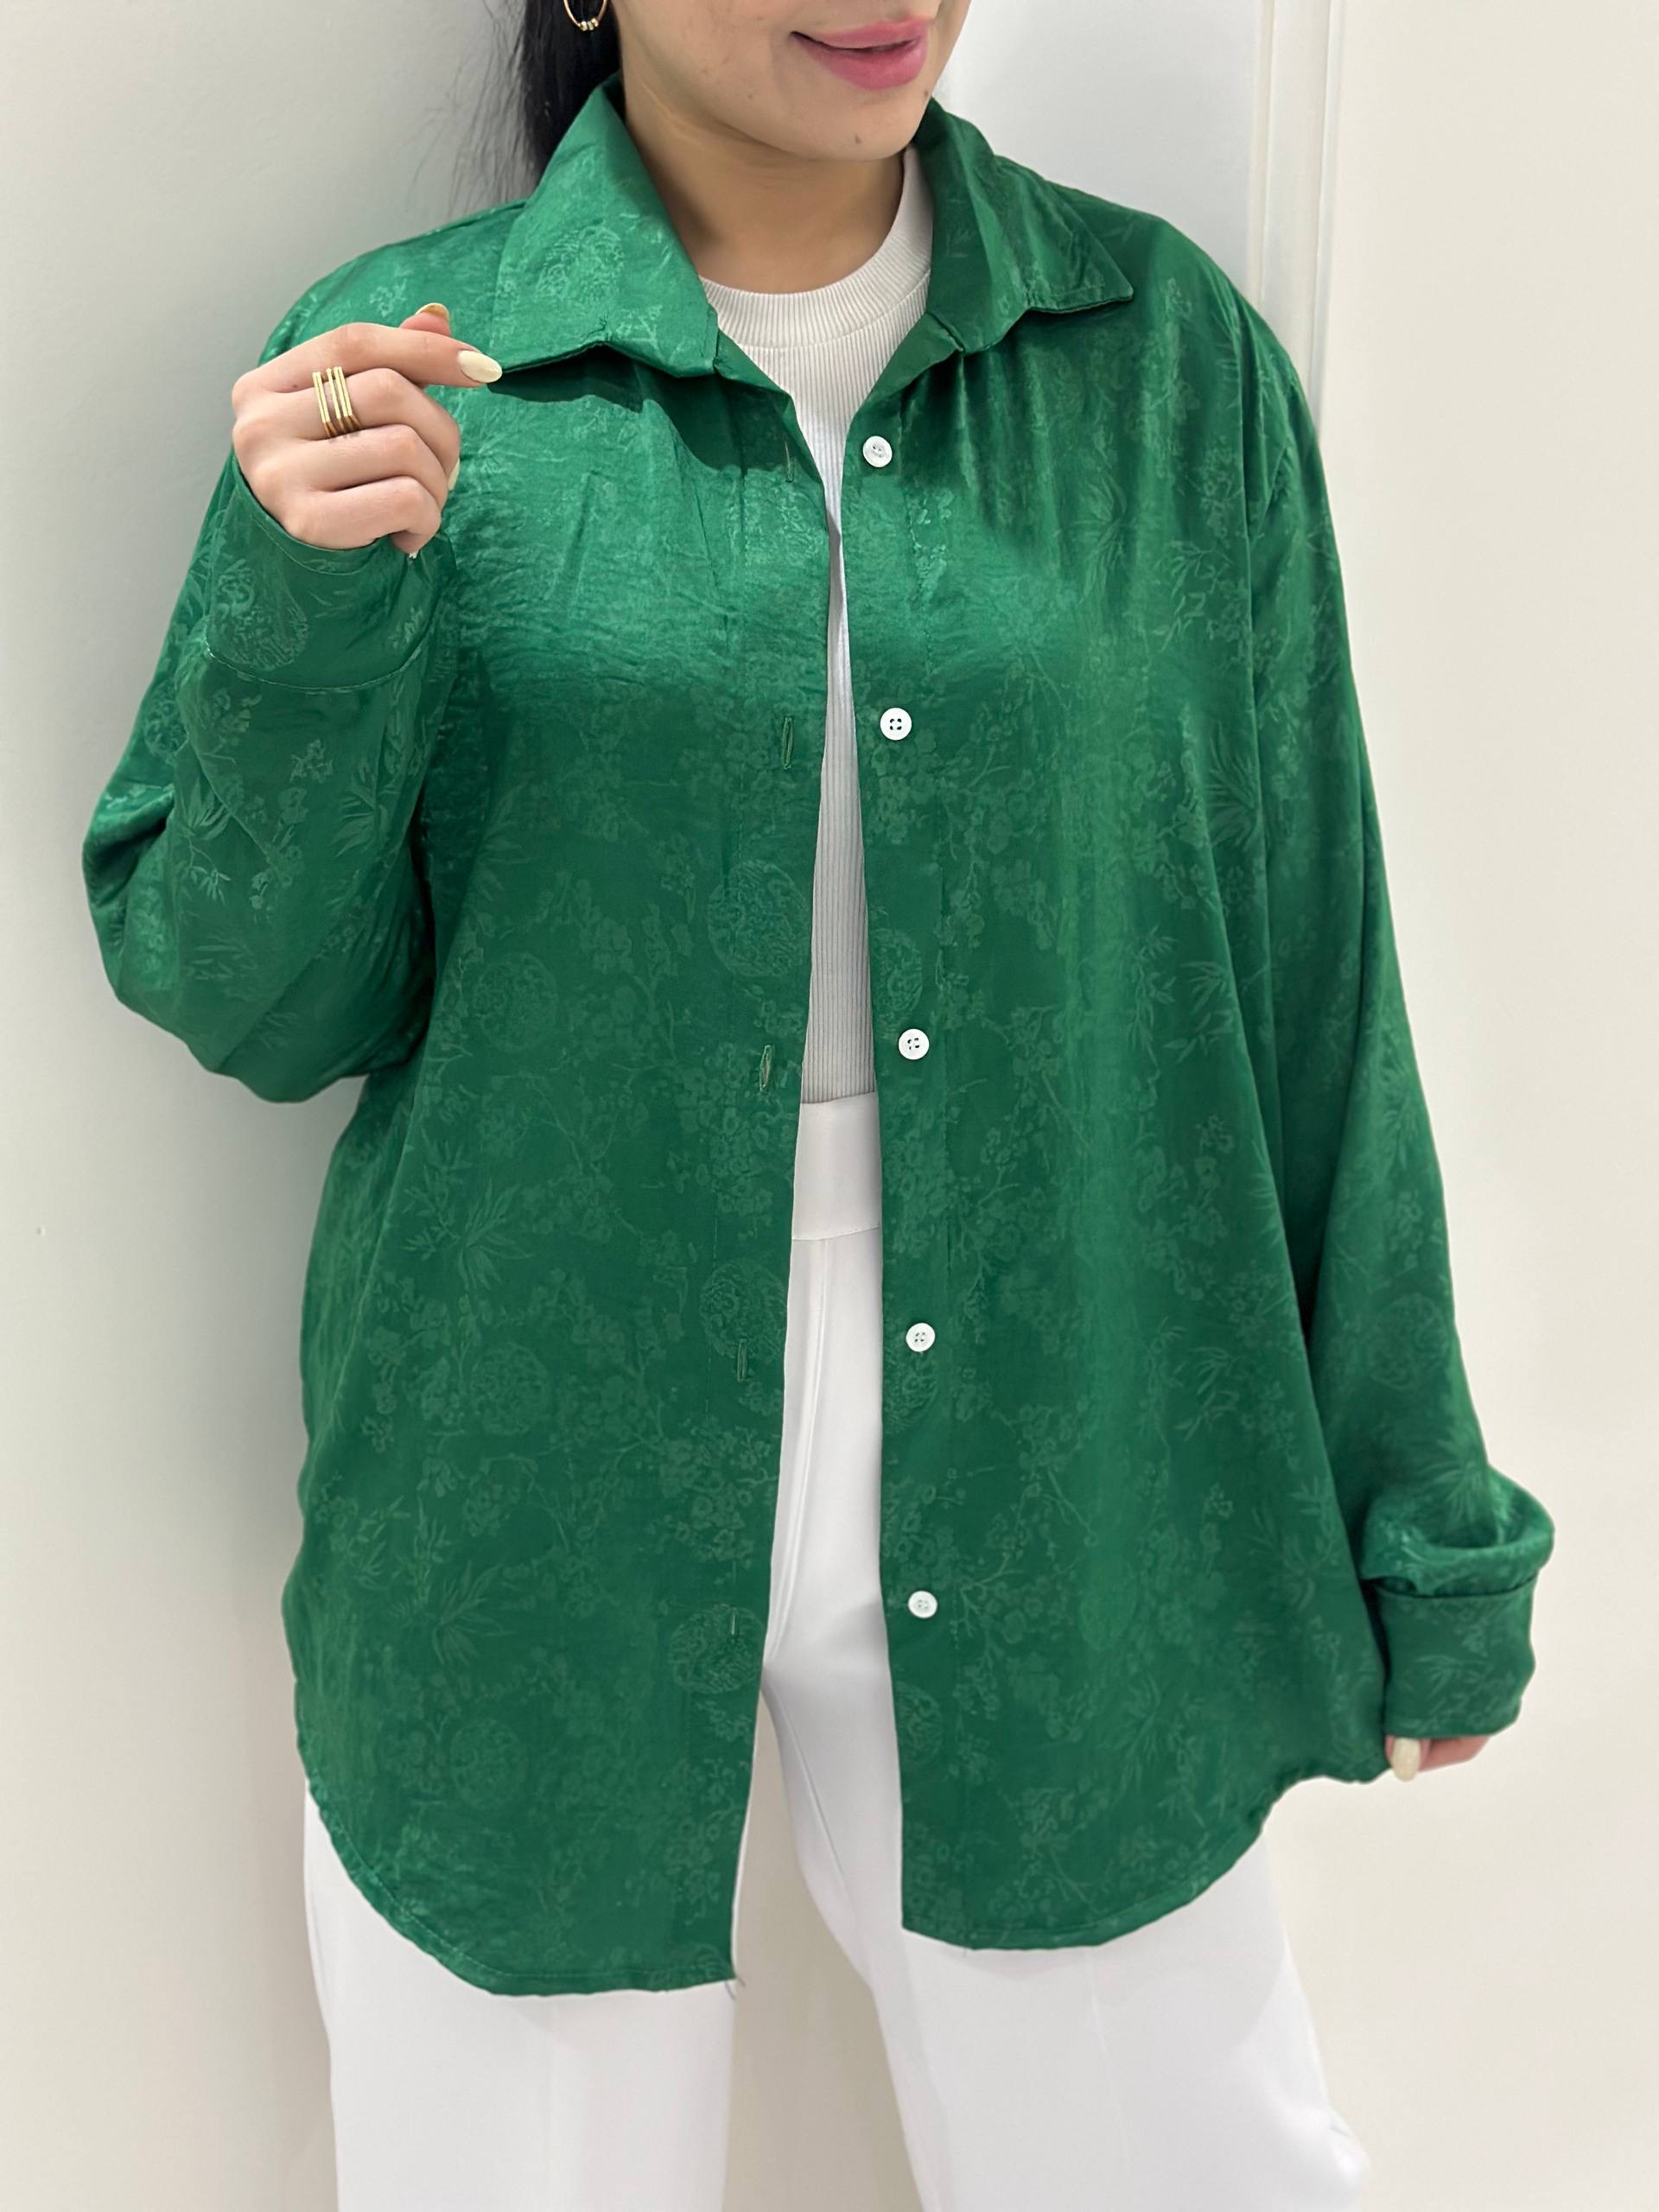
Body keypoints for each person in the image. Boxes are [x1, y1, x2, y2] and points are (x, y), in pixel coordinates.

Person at [79, 3, 1557, 2207]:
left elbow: (1312, 969)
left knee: (1182, 2155)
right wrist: (306, 617)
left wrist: (1423, 1516)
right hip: (525, 1460)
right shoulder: (406, 369)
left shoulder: (1161, 364)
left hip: (1074, 1429)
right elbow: (254, 997)